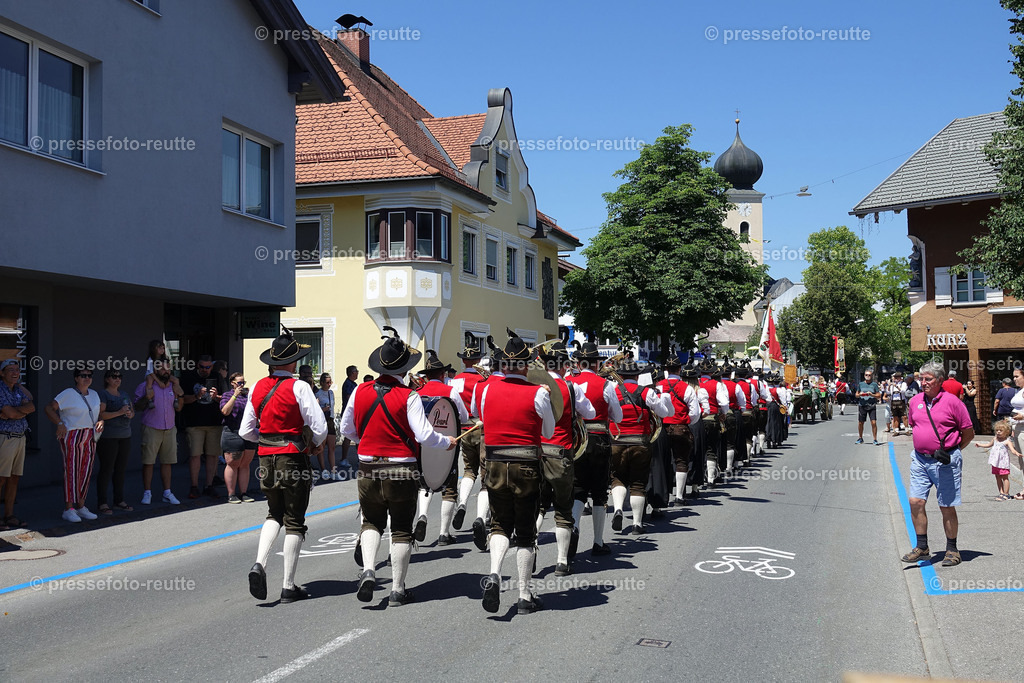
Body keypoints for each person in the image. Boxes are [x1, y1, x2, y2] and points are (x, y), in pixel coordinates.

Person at [338, 327, 455, 607]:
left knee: (371, 522)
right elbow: (424, 435)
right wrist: (447, 442)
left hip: (367, 467)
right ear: (405, 367)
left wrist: (366, 442)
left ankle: (368, 570)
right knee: (401, 529)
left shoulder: (360, 391)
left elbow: (346, 428)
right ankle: (397, 589)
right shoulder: (409, 396)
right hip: (401, 469)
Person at [240, 328, 328, 604]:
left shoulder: (256, 387)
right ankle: (288, 585)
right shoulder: (299, 386)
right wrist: (316, 443)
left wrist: (266, 441)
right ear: (291, 363)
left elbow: (246, 431)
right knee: (294, 520)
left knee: (273, 512)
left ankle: (259, 563)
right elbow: (320, 426)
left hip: (265, 457)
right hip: (292, 456)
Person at [478, 329, 555, 615]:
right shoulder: (537, 393)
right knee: (525, 532)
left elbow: (486, 421)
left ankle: (495, 574)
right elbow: (548, 431)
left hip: (495, 464)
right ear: (525, 364)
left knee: (498, 524)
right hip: (526, 466)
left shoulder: (487, 389)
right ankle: (524, 595)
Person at [902, 361, 974, 568]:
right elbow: (914, 424)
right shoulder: (915, 401)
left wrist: (953, 450)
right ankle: (922, 547)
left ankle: (952, 549)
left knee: (946, 505)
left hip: (945, 462)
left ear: (940, 381)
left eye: (928, 379)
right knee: (916, 501)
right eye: (921, 379)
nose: (923, 383)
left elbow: (968, 432)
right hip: (920, 459)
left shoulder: (953, 402)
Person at [536, 337, 594, 575]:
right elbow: (589, 412)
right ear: (562, 365)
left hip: (538, 452)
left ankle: (530, 554)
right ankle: (561, 561)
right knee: (563, 508)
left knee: (538, 507)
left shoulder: (535, 387)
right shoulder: (572, 387)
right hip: (562, 452)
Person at [567, 339, 623, 556]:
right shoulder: (606, 385)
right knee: (599, 493)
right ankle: (598, 542)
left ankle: (574, 527)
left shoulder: (569, 381)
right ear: (596, 363)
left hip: (576, 440)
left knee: (578, 490)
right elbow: (617, 415)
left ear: (579, 363)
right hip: (598, 439)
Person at [609, 358, 674, 535]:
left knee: (618, 478)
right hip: (640, 442)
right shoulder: (646, 392)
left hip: (618, 440)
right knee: (638, 483)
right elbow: (664, 413)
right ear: (637, 376)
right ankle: (637, 524)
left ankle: (618, 509)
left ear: (620, 375)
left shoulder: (612, 390)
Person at [412, 350, 468, 546]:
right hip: (448, 444)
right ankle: (444, 533)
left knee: (423, 481)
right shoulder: (450, 391)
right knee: (450, 486)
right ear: (443, 374)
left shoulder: (416, 394)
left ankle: (423, 515)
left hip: (423, 444)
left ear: (426, 376)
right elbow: (463, 415)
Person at [44, 369, 103, 522]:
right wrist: (59, 423)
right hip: (73, 434)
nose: (87, 378)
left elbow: (98, 413)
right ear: (76, 378)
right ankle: (68, 508)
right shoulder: (68, 393)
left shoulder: (95, 394)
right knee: (71, 470)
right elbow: (49, 407)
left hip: (89, 435)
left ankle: (81, 506)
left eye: (89, 376)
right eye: (83, 376)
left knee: (86, 470)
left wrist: (100, 421)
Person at [450, 339, 487, 541]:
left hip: (465, 427)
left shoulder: (455, 380)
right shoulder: (484, 380)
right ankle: (483, 516)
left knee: (468, 470)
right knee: (486, 475)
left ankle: (462, 502)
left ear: (464, 360)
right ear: (478, 359)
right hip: (482, 427)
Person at [134, 359, 183, 505]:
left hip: (169, 428)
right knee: (148, 462)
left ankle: (167, 492)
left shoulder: (173, 386)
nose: (165, 371)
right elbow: (137, 407)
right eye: (162, 368)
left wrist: (179, 395)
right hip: (151, 428)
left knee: (167, 462)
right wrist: (146, 397)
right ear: (155, 371)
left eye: (168, 368)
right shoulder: (145, 386)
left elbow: (179, 408)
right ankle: (147, 492)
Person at [180, 355, 224, 499]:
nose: (205, 370)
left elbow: (226, 398)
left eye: (208, 367)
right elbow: (182, 400)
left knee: (212, 455)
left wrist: (216, 397)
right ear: (197, 366)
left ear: (212, 366)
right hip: (194, 423)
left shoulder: (217, 376)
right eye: (202, 367)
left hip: (214, 422)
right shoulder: (188, 377)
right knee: (195, 455)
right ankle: (194, 487)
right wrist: (197, 396)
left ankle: (209, 486)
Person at [658, 356, 699, 505]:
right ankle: (679, 496)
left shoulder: (659, 385)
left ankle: (662, 497)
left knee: (662, 462)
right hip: (680, 427)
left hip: (662, 428)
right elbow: (695, 412)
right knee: (681, 461)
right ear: (680, 369)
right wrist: (686, 422)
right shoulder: (686, 387)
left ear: (666, 370)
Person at [0, 359, 34, 530]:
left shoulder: (18, 389)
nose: (15, 372)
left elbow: (32, 405)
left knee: (14, 478)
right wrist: (20, 411)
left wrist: (18, 411)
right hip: (5, 438)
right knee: (1, 478)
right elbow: (10, 413)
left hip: (20, 437)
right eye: (10, 370)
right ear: (2, 373)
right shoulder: (0, 389)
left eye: (17, 370)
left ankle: (9, 515)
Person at [96, 369, 134, 514]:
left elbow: (132, 412)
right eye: (114, 376)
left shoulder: (124, 394)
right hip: (108, 437)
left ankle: (119, 500)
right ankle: (102, 502)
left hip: (125, 435)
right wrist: (119, 412)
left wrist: (129, 414)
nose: (117, 379)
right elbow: (101, 415)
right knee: (106, 469)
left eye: (119, 376)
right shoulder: (103, 394)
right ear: (107, 379)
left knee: (120, 470)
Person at [220, 372, 257, 504]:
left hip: (248, 432)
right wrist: (235, 395)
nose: (242, 385)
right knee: (233, 463)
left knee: (245, 463)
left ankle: (244, 492)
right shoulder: (227, 395)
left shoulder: (247, 397)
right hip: (232, 432)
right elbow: (225, 411)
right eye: (239, 383)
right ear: (233, 383)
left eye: (243, 382)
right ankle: (231, 494)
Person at [974, 420, 1020, 500]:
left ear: (1006, 432)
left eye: (1001, 430)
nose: (998, 432)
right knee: (997, 477)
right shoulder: (995, 439)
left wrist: (1017, 453)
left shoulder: (1007, 441)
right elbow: (988, 445)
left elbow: (1012, 450)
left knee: (1005, 477)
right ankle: (1001, 493)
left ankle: (1006, 494)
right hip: (995, 462)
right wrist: (980, 444)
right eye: (997, 430)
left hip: (1003, 462)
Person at [315, 372, 338, 480]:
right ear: (322, 383)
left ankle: (333, 470)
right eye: (327, 382)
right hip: (322, 421)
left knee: (332, 447)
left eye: (330, 382)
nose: (329, 384)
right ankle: (323, 469)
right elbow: (314, 410)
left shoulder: (331, 393)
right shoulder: (318, 394)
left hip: (330, 420)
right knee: (322, 447)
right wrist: (322, 409)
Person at [339, 365, 359, 470]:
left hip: (355, 413)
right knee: (347, 437)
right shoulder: (347, 384)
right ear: (352, 373)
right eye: (356, 371)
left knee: (357, 436)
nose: (358, 373)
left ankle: (359, 459)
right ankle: (343, 458)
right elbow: (349, 397)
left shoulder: (354, 384)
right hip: (348, 413)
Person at [855, 369, 881, 445]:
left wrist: (871, 395)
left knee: (873, 422)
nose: (868, 376)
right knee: (860, 422)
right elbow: (856, 395)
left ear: (872, 376)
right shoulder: (860, 384)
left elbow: (879, 395)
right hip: (862, 405)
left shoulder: (874, 384)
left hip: (871, 405)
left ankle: (875, 439)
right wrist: (860, 394)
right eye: (866, 375)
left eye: (869, 375)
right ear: (864, 376)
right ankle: (860, 438)